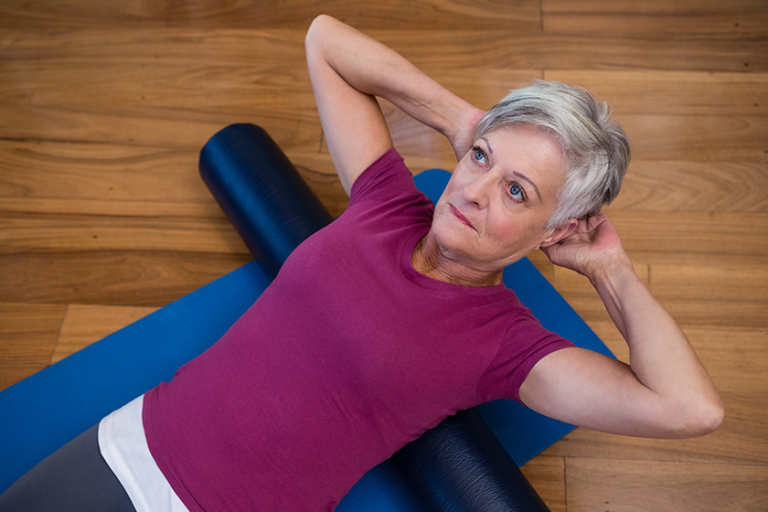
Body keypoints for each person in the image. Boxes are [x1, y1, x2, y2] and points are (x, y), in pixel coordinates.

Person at [0, 14, 723, 512]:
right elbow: (325, 41)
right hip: (132, 437)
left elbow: (689, 409)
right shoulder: (385, 201)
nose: (470, 189)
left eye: (514, 190)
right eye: (479, 160)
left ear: (554, 228)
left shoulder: (507, 347)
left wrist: (609, 269)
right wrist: (462, 119)